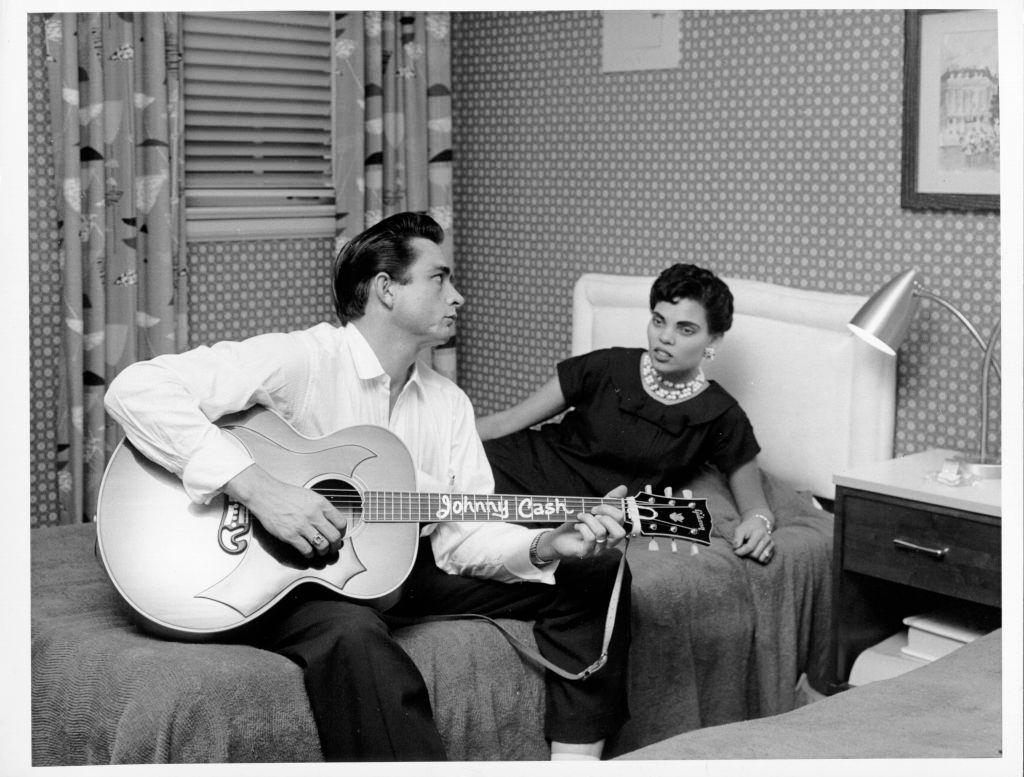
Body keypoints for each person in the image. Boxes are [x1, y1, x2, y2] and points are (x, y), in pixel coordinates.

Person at [104, 212, 631, 762]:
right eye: (440, 279)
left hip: (399, 567)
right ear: (385, 289)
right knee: (353, 632)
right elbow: (137, 389)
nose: (459, 297)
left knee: (596, 569)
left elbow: (459, 539)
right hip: (293, 575)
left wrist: (547, 544)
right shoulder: (303, 359)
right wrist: (260, 490)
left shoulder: (448, 403)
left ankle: (576, 764)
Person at [478, 263, 776, 565]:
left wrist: (758, 524)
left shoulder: (720, 413)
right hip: (514, 469)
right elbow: (504, 422)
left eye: (685, 329)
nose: (665, 337)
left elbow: (756, 508)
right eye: (659, 321)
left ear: (713, 340)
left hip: (578, 516)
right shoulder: (605, 366)